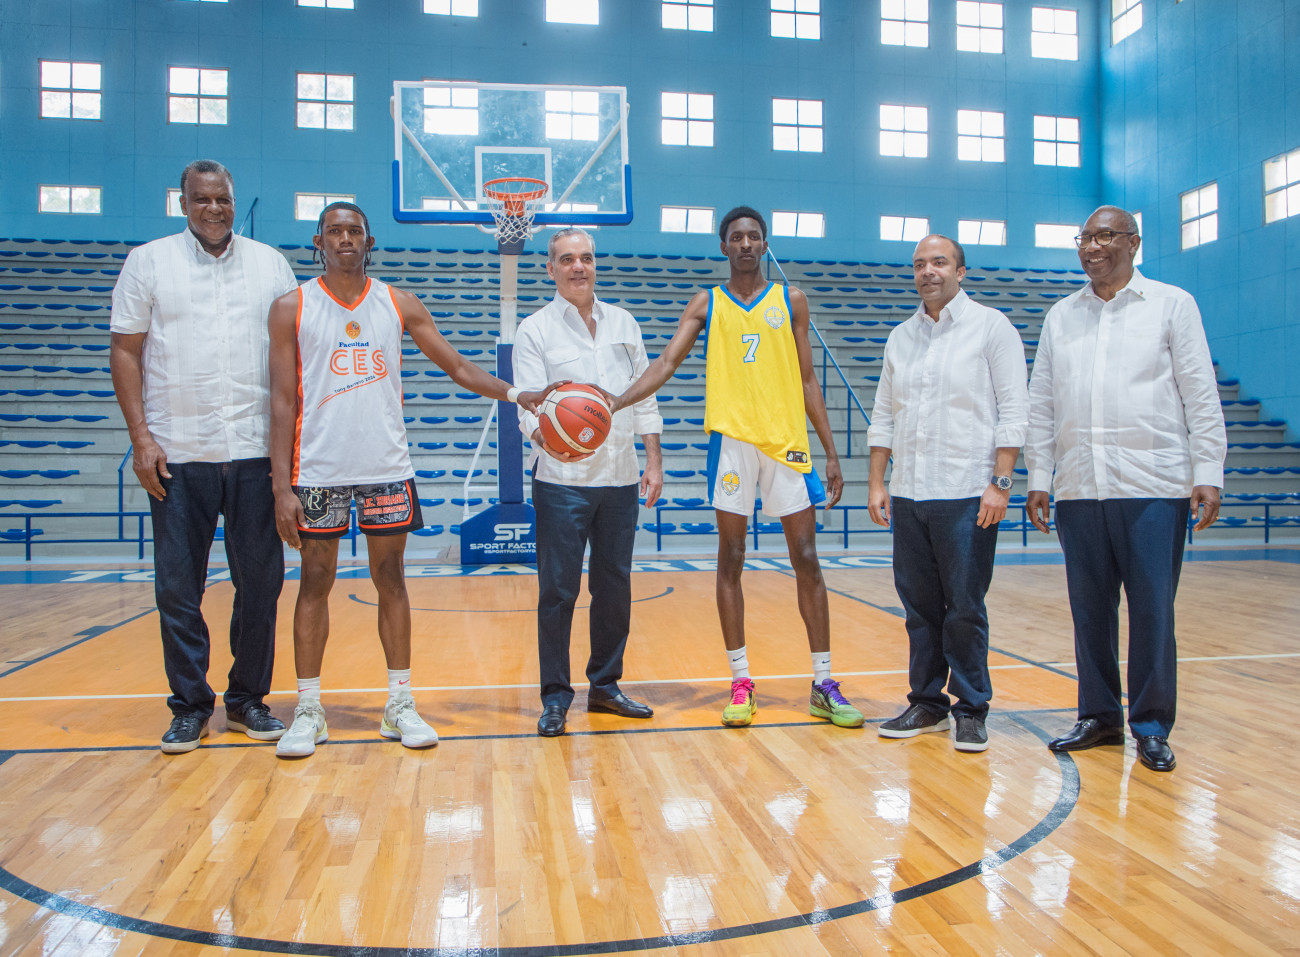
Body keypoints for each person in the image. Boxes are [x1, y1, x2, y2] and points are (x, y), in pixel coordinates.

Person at [267, 202, 553, 758]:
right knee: (314, 582)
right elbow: (280, 401)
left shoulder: (398, 302)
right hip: (318, 469)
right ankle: (308, 709)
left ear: (368, 241)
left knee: (391, 580)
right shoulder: (290, 307)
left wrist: (517, 393)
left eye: (354, 230)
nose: (345, 238)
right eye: (334, 231)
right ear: (318, 241)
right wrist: (282, 487)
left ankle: (399, 703)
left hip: (385, 467)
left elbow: (458, 366)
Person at [609, 206, 861, 729]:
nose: (746, 244)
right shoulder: (707, 302)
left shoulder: (791, 300)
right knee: (732, 558)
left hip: (786, 441)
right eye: (736, 237)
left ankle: (823, 683)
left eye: (754, 236)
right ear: (723, 246)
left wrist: (831, 451)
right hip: (731, 444)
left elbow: (808, 380)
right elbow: (666, 362)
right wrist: (617, 401)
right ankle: (741, 680)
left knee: (807, 558)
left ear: (765, 244)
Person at [1025, 205, 1226, 772]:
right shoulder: (1061, 316)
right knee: (1089, 611)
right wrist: (1040, 477)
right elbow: (1042, 403)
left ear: (1133, 243)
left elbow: (1199, 394)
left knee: (1153, 612)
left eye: (1105, 236)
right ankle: (1099, 716)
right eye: (1085, 237)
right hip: (1080, 488)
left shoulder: (1172, 304)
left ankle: (1151, 725)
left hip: (1153, 485)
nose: (1092, 246)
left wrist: (1207, 471)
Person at [110, 159, 298, 754]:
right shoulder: (148, 262)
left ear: (234, 201)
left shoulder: (270, 264)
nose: (213, 209)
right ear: (183, 203)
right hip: (178, 451)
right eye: (201, 199)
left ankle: (246, 700)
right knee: (177, 589)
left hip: (254, 451)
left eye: (223, 199)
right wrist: (141, 437)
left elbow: (294, 357)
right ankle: (190, 705)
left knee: (261, 584)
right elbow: (125, 350)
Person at [867, 235, 1029, 752]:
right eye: (919, 264)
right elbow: (884, 415)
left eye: (939, 262)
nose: (927, 271)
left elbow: (1014, 412)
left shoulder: (992, 328)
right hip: (910, 492)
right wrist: (877, 482)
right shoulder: (901, 337)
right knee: (918, 608)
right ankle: (927, 703)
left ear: (960, 271)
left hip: (968, 493)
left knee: (964, 606)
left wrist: (1000, 483)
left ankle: (971, 708)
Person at [513, 228, 664, 737]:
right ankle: (556, 697)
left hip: (620, 476)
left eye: (585, 258)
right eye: (567, 259)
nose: (578, 266)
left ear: (595, 264)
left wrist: (653, 459)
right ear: (550, 269)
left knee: (614, 586)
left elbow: (644, 394)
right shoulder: (534, 329)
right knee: (558, 591)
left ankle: (605, 686)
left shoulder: (624, 322)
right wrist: (547, 438)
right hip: (561, 480)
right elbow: (528, 406)